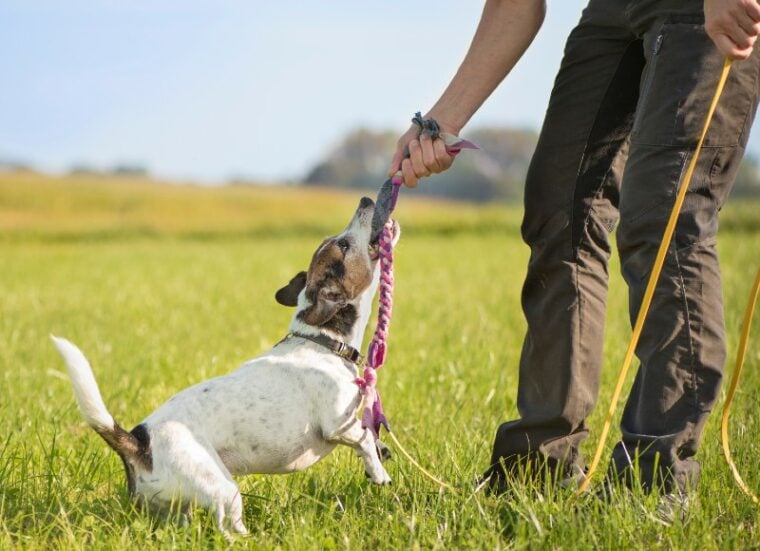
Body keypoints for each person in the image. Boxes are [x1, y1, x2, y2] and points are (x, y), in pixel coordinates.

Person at [389, 0, 760, 503]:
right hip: (613, 11)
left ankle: (652, 482)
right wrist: (439, 122)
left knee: (664, 215)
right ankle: (538, 467)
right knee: (558, 208)